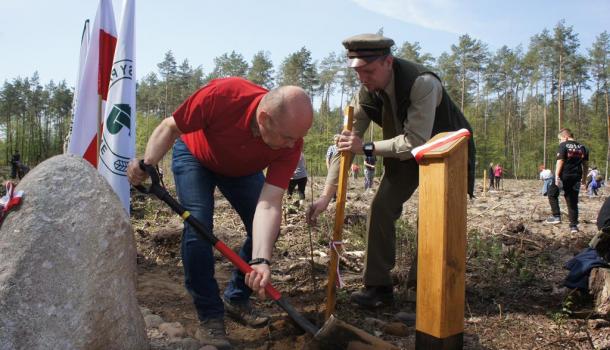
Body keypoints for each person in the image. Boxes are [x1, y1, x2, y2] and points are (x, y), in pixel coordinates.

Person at [127, 77, 313, 349]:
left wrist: (261, 260)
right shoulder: (224, 96)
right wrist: (147, 164)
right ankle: (210, 316)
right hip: (195, 156)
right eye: (287, 137)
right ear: (264, 119)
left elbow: (270, 203)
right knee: (199, 226)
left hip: (242, 170)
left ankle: (236, 298)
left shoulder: (291, 142)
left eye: (296, 139)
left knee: (267, 231)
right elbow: (170, 126)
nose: (291, 145)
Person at [304, 33, 475, 309]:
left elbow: (416, 140)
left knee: (433, 221)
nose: (363, 78)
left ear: (388, 62)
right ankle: (378, 288)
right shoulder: (366, 92)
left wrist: (367, 147)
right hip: (404, 157)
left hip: (445, 155)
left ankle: (425, 293)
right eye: (358, 72)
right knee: (381, 208)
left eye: (369, 71)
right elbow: (346, 145)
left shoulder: (423, 83)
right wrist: (326, 195)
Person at [544, 128, 588, 233]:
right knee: (572, 201)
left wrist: (556, 176)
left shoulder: (563, 145)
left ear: (565, 137)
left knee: (551, 193)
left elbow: (560, 161)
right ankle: (573, 226)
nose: (560, 141)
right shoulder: (583, 147)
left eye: (560, 139)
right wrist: (584, 180)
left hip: (563, 175)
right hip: (576, 177)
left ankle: (556, 216)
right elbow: (585, 165)